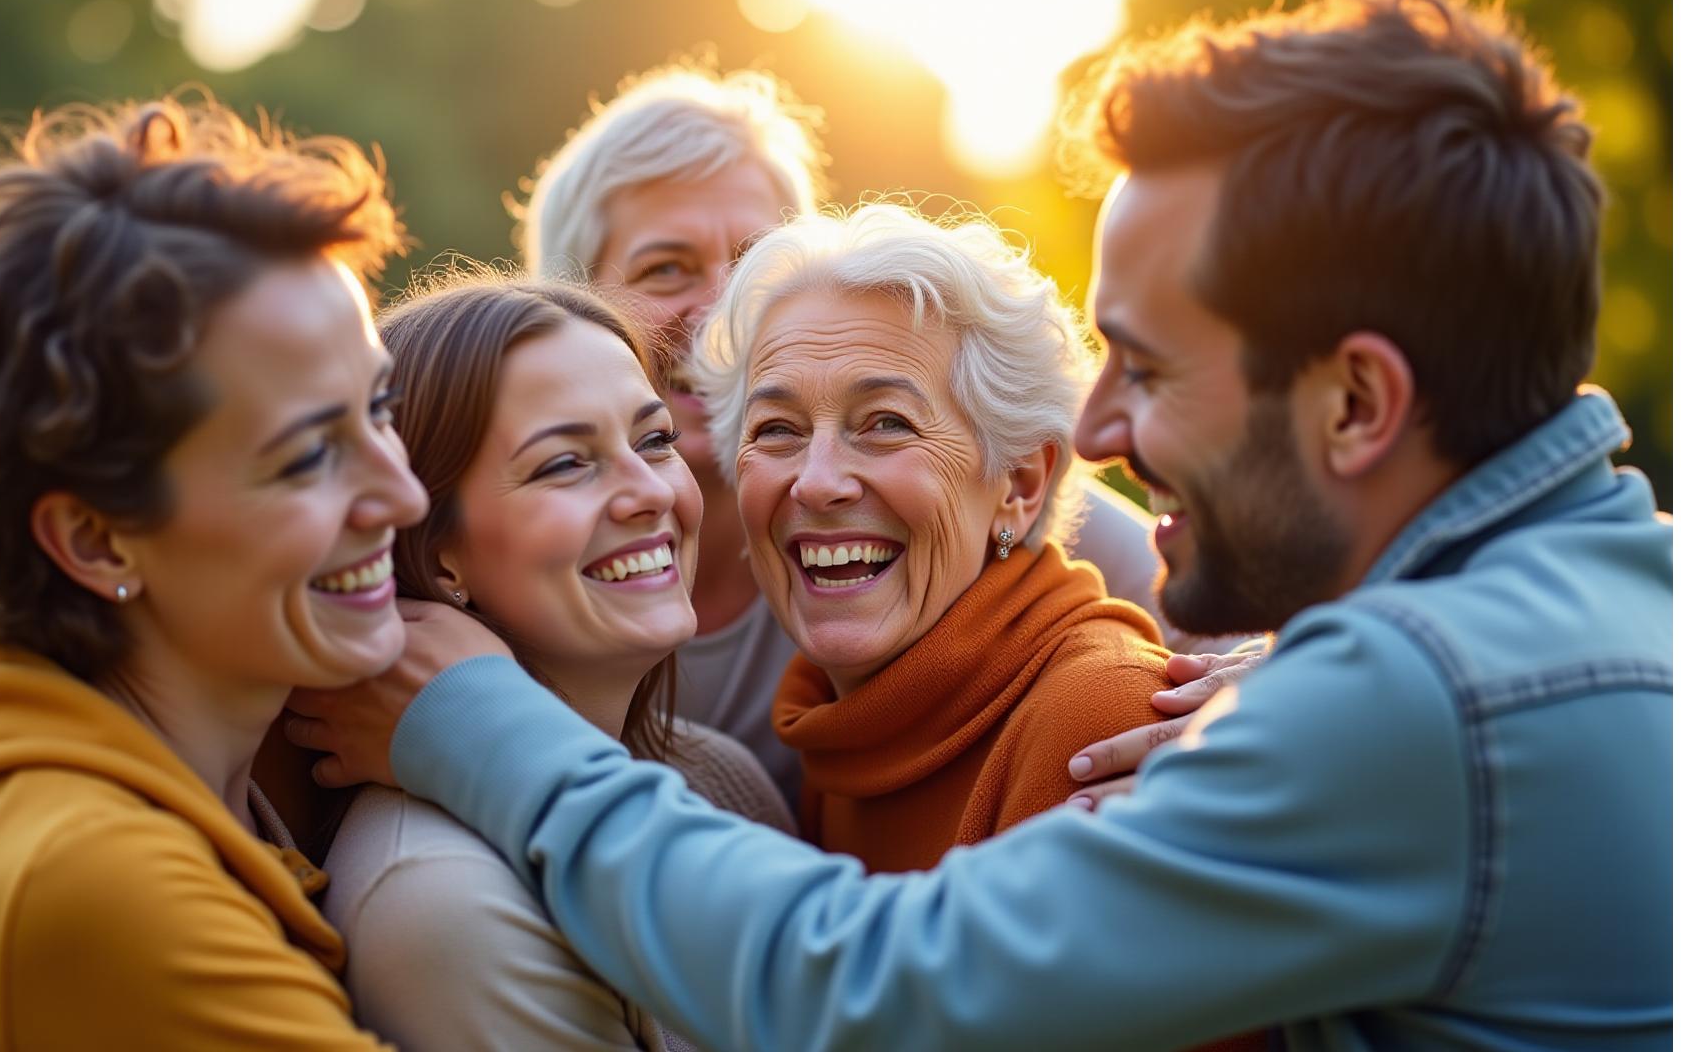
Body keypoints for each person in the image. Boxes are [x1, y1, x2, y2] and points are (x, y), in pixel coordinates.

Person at [281, 0, 1673, 1049]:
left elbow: (878, 992)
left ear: (1359, 405)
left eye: (1153, 364)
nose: (1101, 431)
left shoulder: (1411, 704)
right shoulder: (1564, 611)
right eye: (771, 426)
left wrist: (482, 728)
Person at [0, 96, 418, 1049]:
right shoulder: (109, 886)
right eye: (307, 456)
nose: (402, 496)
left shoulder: (241, 745)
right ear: (98, 541)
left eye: (380, 406)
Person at [522, 64, 1248, 807]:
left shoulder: (994, 495)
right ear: (573, 314)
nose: (717, 310)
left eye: (749, 263)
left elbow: (1248, 641)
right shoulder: (518, 554)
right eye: (665, 266)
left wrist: (1289, 690)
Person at [313, 272, 790, 1049]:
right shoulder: (446, 903)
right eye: (565, 463)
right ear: (438, 554)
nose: (649, 493)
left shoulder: (720, 781)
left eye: (655, 440)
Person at [688, 201, 1182, 874]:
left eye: (886, 423)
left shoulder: (1099, 720)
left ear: (1018, 484)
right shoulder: (845, 728)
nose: (816, 482)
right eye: (777, 428)